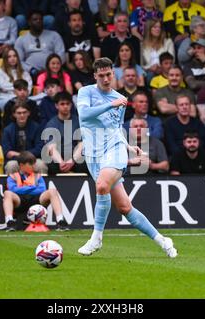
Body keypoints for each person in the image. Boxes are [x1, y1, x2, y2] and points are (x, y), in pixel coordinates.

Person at [76, 57, 178, 258]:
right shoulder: (86, 92)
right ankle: (163, 240)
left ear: (113, 74)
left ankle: (96, 238)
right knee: (124, 207)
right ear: (95, 76)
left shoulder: (119, 99)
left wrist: (128, 146)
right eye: (101, 75)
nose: (106, 79)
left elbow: (116, 129)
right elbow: (84, 115)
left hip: (114, 150)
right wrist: (110, 105)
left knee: (102, 186)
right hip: (94, 155)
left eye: (109, 74)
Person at [3, 151, 69, 232]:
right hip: (20, 201)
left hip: (37, 200)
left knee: (52, 191)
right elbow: (13, 189)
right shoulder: (13, 176)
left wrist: (23, 189)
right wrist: (32, 187)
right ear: (21, 165)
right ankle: (10, 222)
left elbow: (42, 189)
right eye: (30, 164)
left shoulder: (37, 176)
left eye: (34, 163)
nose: (34, 166)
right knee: (7, 194)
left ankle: (61, 221)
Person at [43, 91, 87, 175]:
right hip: (58, 158)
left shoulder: (78, 122)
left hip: (75, 158)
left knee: (84, 162)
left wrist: (72, 160)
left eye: (68, 104)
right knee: (50, 163)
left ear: (71, 105)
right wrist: (61, 162)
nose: (65, 106)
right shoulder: (51, 124)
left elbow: (81, 145)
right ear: (56, 106)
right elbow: (51, 148)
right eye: (62, 104)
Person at [15, 10, 66, 78]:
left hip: (53, 72)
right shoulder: (21, 39)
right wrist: (31, 70)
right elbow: (18, 60)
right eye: (35, 19)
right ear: (29, 22)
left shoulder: (54, 35)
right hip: (29, 73)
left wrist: (53, 67)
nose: (38, 21)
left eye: (40, 19)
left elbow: (61, 54)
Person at [163, 94, 205, 158]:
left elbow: (202, 143)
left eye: (186, 104)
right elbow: (171, 145)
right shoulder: (169, 124)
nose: (184, 107)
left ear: (190, 106)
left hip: (196, 156)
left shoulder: (198, 123)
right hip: (177, 158)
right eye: (181, 105)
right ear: (177, 107)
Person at [140, 18, 175, 85]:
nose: (158, 29)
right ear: (149, 29)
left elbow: (171, 59)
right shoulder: (142, 45)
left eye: (159, 27)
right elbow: (141, 64)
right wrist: (150, 68)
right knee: (150, 75)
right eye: (155, 27)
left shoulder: (168, 42)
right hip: (149, 71)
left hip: (166, 70)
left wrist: (160, 67)